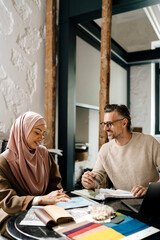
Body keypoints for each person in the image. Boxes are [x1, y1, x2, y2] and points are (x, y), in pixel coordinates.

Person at [0, 111, 70, 239]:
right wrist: (39, 199)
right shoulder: (3, 162)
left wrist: (56, 196)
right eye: (37, 132)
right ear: (22, 131)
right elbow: (8, 201)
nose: (40, 138)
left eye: (43, 134)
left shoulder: (43, 154)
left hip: (44, 210)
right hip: (12, 213)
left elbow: (55, 185)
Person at [82, 104, 160, 198]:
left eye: (109, 124)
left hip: (150, 200)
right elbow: (96, 178)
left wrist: (149, 190)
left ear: (124, 123)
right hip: (120, 203)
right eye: (104, 124)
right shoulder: (105, 149)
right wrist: (88, 181)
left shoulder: (149, 142)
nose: (105, 128)